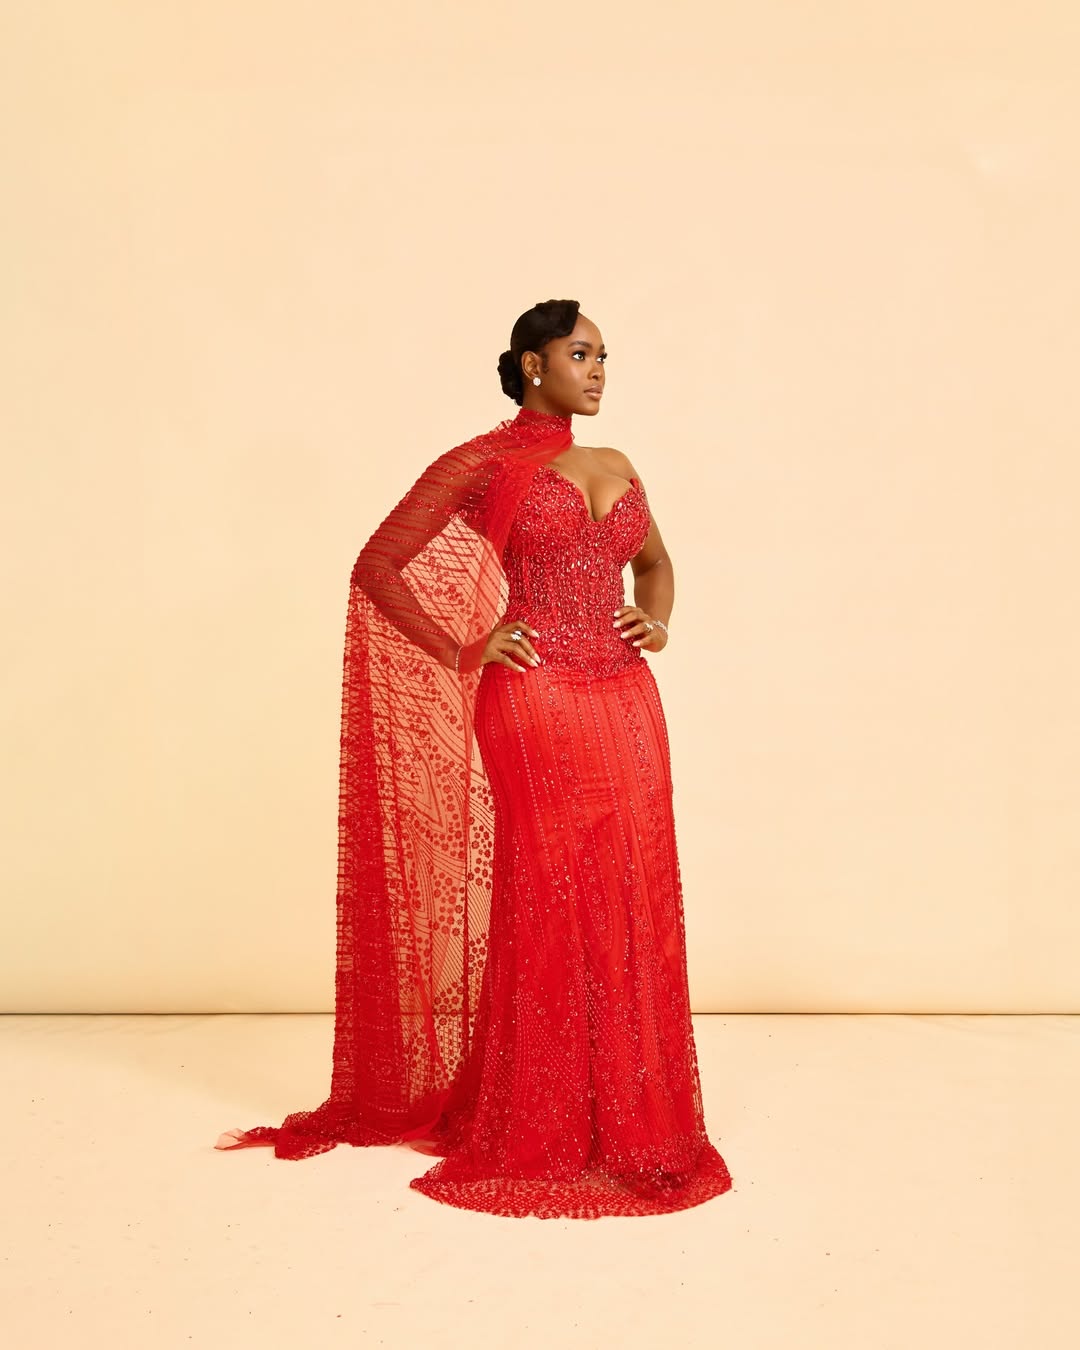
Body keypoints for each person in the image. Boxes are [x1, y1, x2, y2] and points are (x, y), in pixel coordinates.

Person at [215, 298, 734, 1219]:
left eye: (607, 356)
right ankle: (536, 1119)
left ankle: (631, 1119)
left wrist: (657, 619)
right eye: (582, 354)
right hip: (532, 698)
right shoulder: (483, 464)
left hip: (625, 695)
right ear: (534, 365)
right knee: (549, 889)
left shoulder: (618, 464)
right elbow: (378, 566)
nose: (601, 370)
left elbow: (655, 564)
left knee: (630, 885)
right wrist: (466, 648)